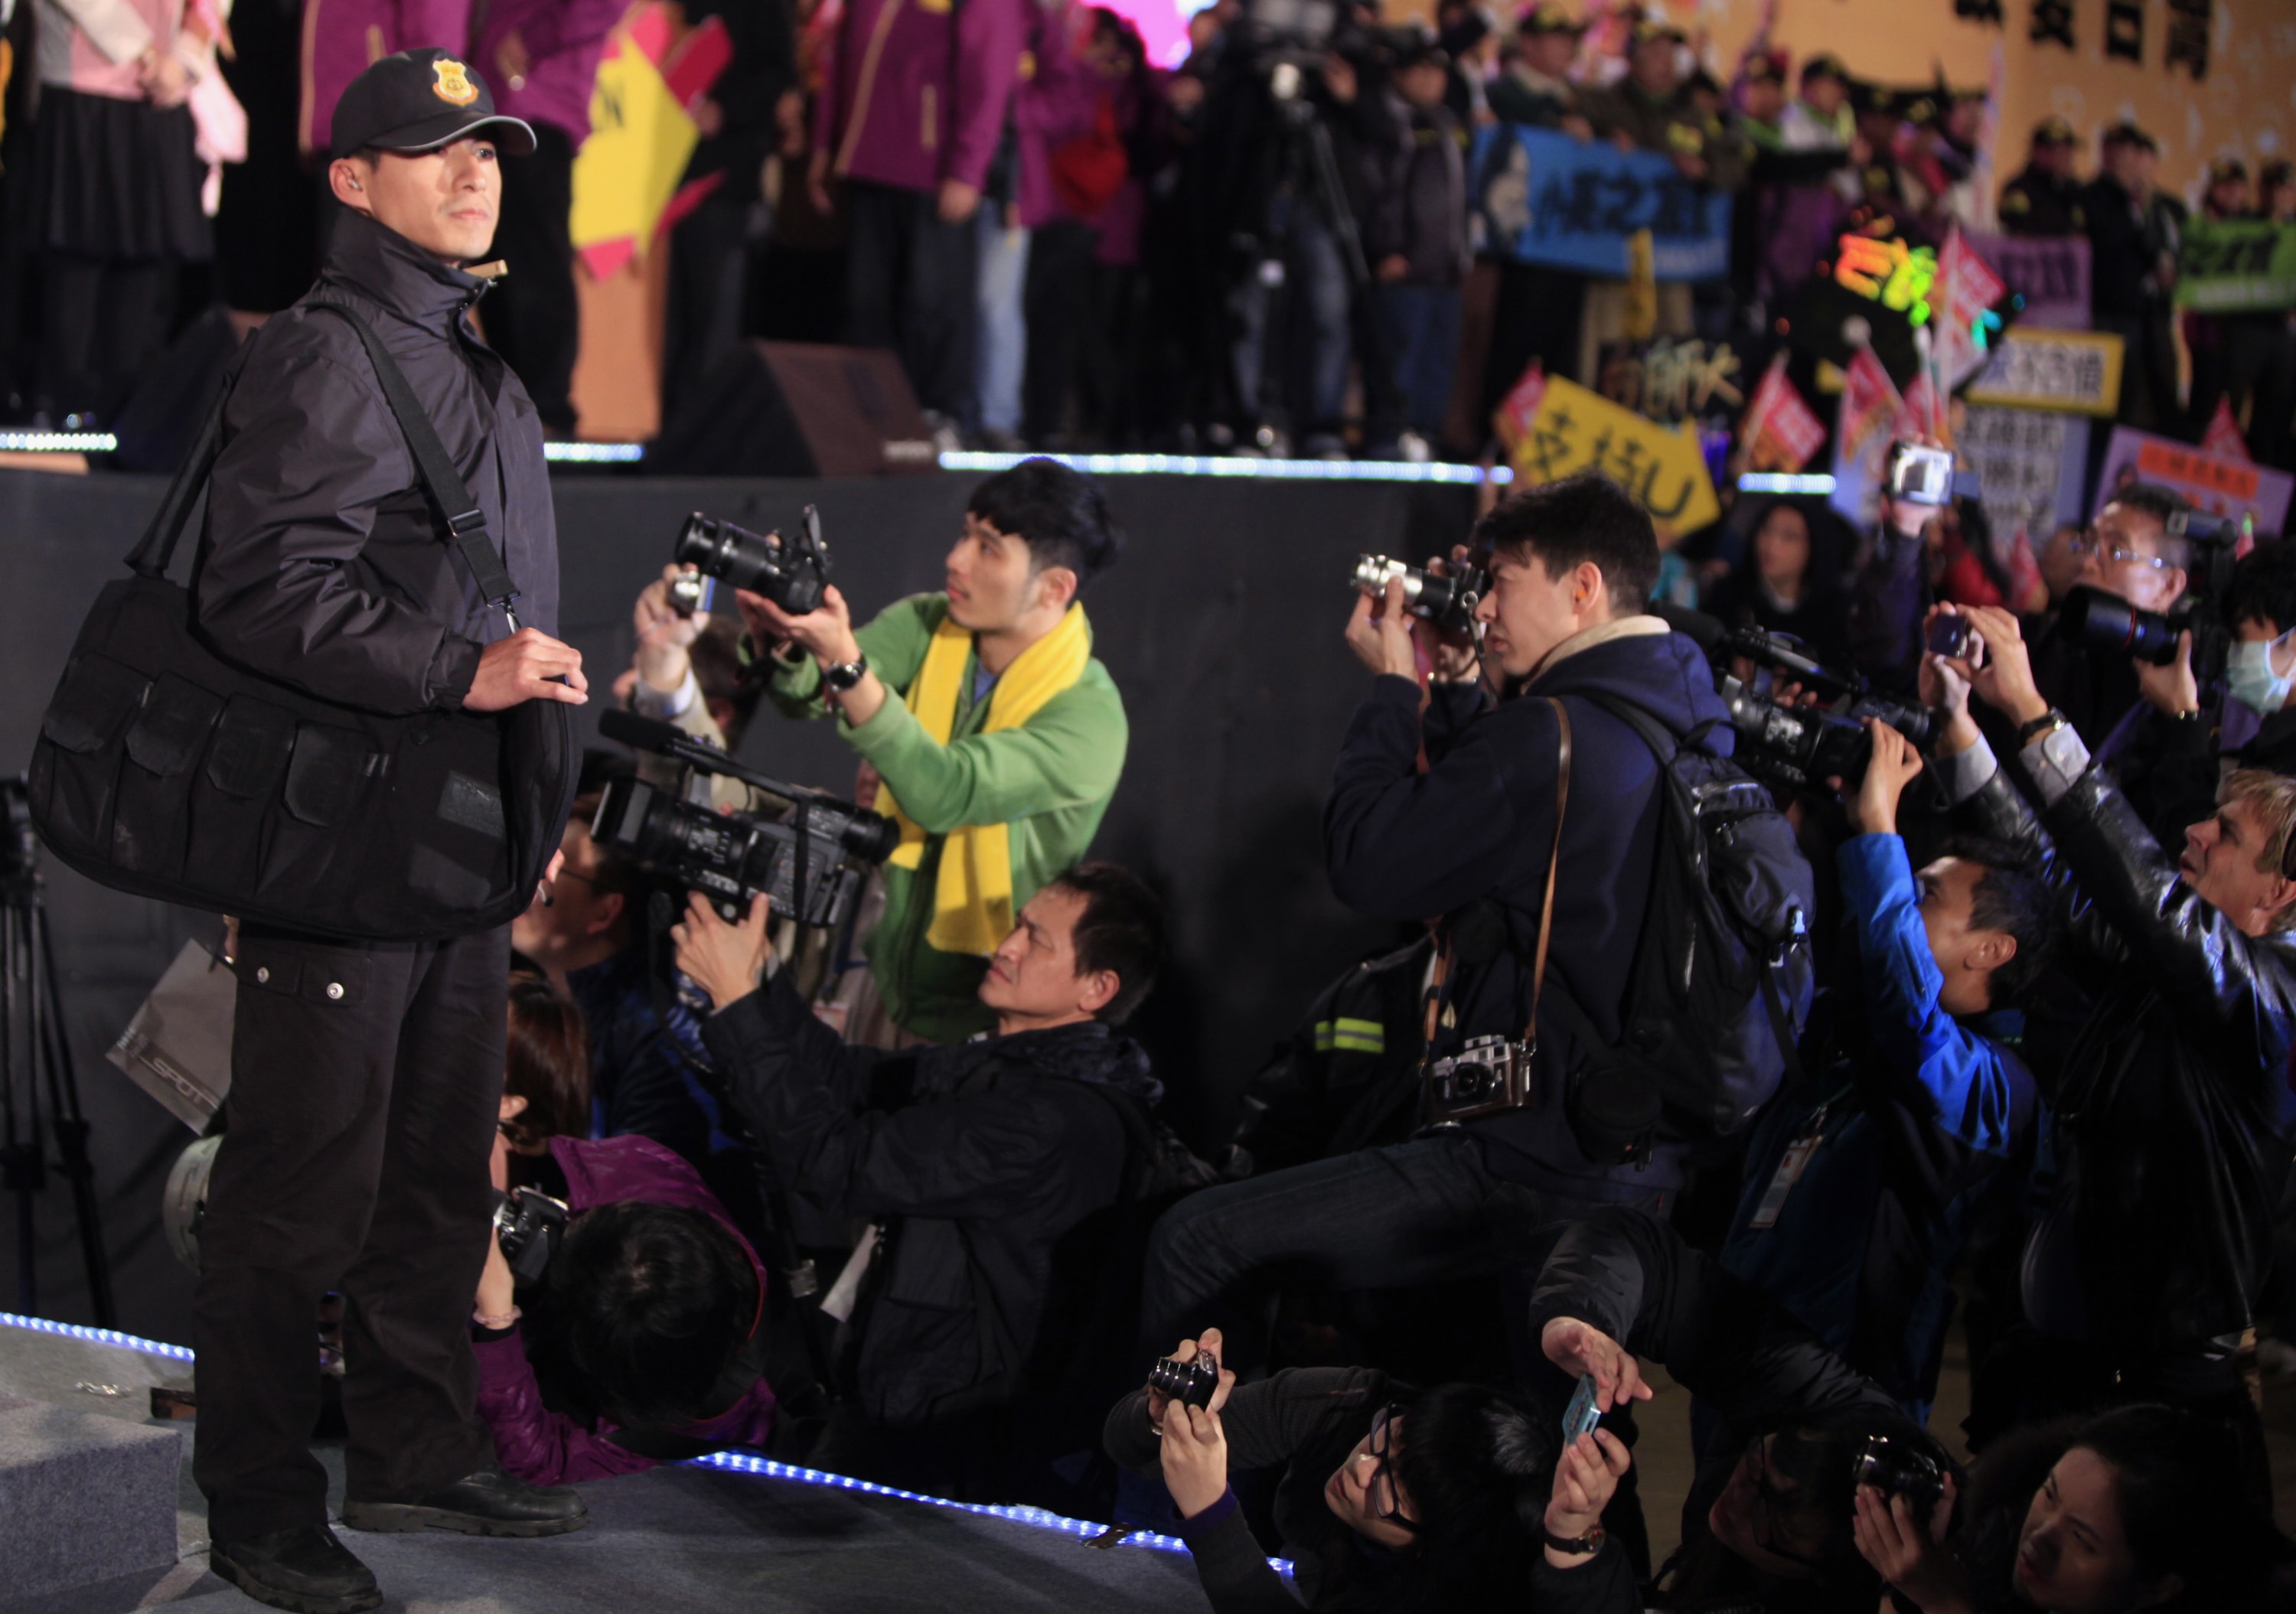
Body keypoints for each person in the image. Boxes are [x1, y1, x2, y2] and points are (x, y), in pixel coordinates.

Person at [191, 49, 592, 1613]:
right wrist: (457, 673)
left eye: (486, 146)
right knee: (297, 1195)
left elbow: (499, 604)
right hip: (340, 852)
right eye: (431, 150)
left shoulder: (464, 349)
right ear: (352, 181)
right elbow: (263, 589)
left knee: (437, 1167)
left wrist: (525, 801)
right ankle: (261, 1505)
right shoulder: (327, 353)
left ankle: (418, 1449)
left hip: (455, 842)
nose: (474, 171)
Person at [1136, 471, 1758, 1368]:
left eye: (1501, 579)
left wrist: (1399, 686)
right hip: (1627, 1165)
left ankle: (1172, 1499)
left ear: (1581, 588)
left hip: (1520, 1165)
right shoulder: (1679, 719)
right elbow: (1490, 854)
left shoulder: (1552, 732)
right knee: (1524, 1447)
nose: (1484, 604)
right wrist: (1465, 683)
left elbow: (1373, 860)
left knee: (1195, 1239)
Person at [1926, 603, 2296, 1475]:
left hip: (2164, 1408)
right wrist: (1958, 726)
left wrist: (2033, 712)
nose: (2196, 832)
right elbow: (2056, 881)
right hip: (2080, 1368)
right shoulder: (2187, 969)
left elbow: (2145, 896)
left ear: (2281, 894)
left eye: (2229, 835)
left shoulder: (2274, 997)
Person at [673, 862, 1177, 1498]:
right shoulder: (1012, 1070)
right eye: (1018, 925)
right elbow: (843, 1076)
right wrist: (759, 973)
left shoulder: (1049, 1118)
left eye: (1036, 939)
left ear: (1097, 988)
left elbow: (836, 1163)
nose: (1007, 945)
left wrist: (737, 1000)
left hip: (955, 1446)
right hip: (915, 1412)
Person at [1718, 716, 2048, 1423]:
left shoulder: (1998, 1089)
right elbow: (1861, 952)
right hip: (1745, 1364)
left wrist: (1878, 829)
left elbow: (1912, 1018)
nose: (1899, 892)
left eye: (1924, 893)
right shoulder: (1856, 1028)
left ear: (1992, 949)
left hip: (1847, 1404)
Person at [740, 458, 1129, 1044]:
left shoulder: (1089, 717)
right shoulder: (929, 623)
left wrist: (845, 663)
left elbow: (945, 791)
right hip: (881, 969)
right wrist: (782, 633)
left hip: (986, 1011)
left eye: (989, 547)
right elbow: (809, 695)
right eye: (965, 533)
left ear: (1055, 588)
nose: (957, 558)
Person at [1529, 1205, 1962, 1613]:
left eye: (1776, 1520)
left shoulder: (1885, 1594)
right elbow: (1642, 1253)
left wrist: (1574, 1534)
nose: (1741, 1493)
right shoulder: (1816, 1405)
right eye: (1763, 1460)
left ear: (1832, 1573)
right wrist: (1581, 1322)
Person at [1101, 1326, 1643, 1612]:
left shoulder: (1466, 1587)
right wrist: (1159, 1415)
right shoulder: (1352, 1402)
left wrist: (1213, 1518)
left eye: (1391, 1492)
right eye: (1388, 1436)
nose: (1360, 1466)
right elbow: (1129, 1447)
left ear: (1435, 1543)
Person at [509, 766, 755, 1229]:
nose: (535, 873)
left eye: (558, 863)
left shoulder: (659, 1036)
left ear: (607, 910)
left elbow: (643, 1209)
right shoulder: (560, 1002)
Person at [471, 1130, 778, 1485]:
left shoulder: (677, 1417)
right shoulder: (657, 1195)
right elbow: (619, 1162)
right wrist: (532, 1159)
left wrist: (497, 1318)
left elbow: (536, 1460)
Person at [808, 0, 1026, 432]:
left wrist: (968, 167)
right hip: (868, 163)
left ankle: (941, 416)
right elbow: (842, 59)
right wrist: (825, 146)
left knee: (932, 303)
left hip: (931, 171)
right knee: (865, 307)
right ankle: (870, 421)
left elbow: (989, 70)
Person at [1852, 1404, 2289, 1614]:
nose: (2039, 1539)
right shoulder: (1999, 1538)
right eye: (2050, 1493)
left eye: (2083, 1538)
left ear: (2156, 1589)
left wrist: (1945, 1604)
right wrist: (1916, 1583)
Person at [28, 0, 218, 423]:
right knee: (75, 255)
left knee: (146, 256)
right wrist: (145, 51)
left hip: (163, 89)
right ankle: (62, 405)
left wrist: (185, 56)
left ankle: (128, 410)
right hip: (86, 85)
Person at [473, 0, 628, 435]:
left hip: (539, 107)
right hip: (492, 109)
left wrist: (532, 38)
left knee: (537, 263)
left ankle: (548, 408)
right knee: (493, 266)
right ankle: (509, 407)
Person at [2082, 123, 2183, 433]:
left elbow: (2158, 252)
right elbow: (2104, 242)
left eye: (2132, 150)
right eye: (2119, 149)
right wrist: (2133, 211)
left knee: (2133, 399)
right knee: (2099, 402)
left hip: (2138, 314)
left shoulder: (2156, 204)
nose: (2127, 158)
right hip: (2102, 311)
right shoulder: (2094, 195)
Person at [1701, 499, 1852, 673]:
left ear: (1815, 546)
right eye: (1766, 530)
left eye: (1789, 537)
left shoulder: (1835, 612)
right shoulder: (1728, 595)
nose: (1771, 545)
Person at [1998, 116, 2086, 237]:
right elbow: (2018, 232)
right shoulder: (2019, 190)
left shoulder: (2074, 190)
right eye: (2061, 151)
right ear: (2038, 151)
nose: (2068, 158)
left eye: (2068, 151)